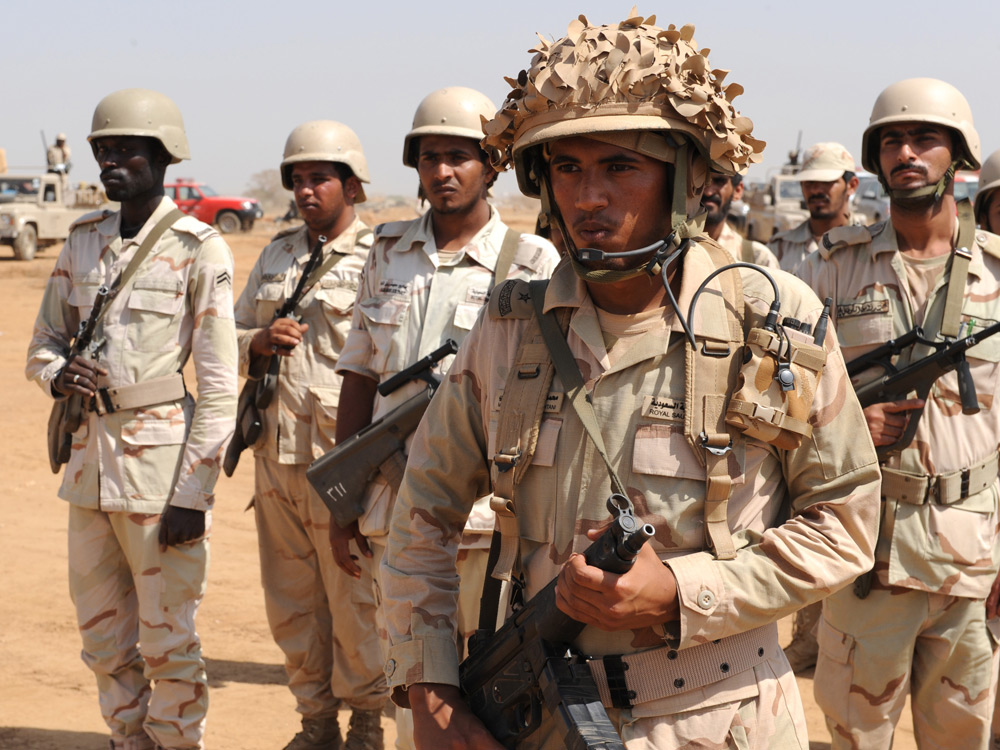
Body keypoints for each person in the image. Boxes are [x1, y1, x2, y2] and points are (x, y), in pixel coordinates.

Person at [378, 14, 881, 750]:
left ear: (682, 180)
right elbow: (423, 508)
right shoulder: (513, 326)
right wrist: (430, 689)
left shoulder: (767, 320)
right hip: (538, 716)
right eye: (568, 169)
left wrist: (683, 591)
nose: (588, 198)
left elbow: (843, 522)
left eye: (620, 166)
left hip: (720, 716)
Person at [331, 86, 560, 748]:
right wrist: (342, 501)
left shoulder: (531, 262)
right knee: (416, 697)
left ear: (491, 166)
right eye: (429, 157)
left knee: (502, 689)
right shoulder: (386, 250)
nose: (441, 172)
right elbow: (359, 372)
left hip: (493, 522)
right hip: (396, 513)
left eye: (459, 157)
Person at [25, 88, 237, 750]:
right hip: (89, 469)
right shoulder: (83, 241)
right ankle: (127, 740)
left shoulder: (201, 249)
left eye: (127, 150)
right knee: (103, 637)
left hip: (160, 474)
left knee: (168, 640)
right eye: (103, 150)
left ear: (163, 157)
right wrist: (56, 374)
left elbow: (220, 385)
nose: (111, 162)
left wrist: (194, 492)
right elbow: (41, 346)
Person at [799, 78, 1000, 750]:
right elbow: (780, 406)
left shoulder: (996, 278)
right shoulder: (836, 271)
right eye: (891, 141)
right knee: (856, 738)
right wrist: (850, 424)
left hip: (971, 560)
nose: (906, 152)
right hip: (863, 556)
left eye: (924, 139)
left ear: (959, 156)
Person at [233, 121, 387, 750]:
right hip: (275, 457)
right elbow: (230, 334)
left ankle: (368, 725)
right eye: (296, 179)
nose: (304, 190)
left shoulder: (382, 256)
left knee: (356, 602)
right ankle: (315, 724)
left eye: (319, 177)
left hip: (342, 460)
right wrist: (258, 341)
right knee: (291, 603)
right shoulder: (275, 254)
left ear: (352, 184)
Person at [768, 142, 862, 274]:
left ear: (851, 185)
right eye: (809, 182)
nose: (816, 190)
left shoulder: (870, 245)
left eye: (826, 182)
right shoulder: (779, 249)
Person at [701, 170, 779, 268]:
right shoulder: (677, 252)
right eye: (700, 181)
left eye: (719, 181)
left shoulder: (758, 259)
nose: (708, 192)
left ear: (737, 191)